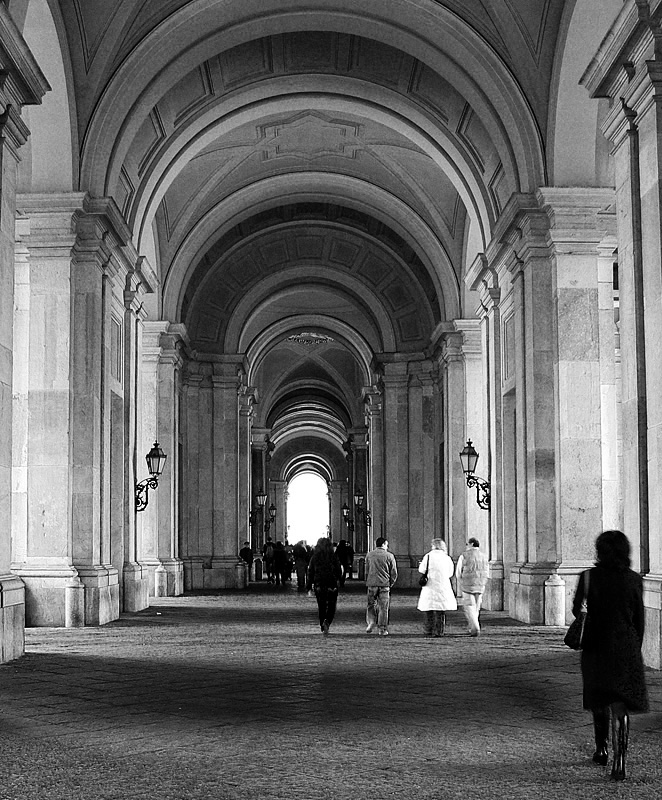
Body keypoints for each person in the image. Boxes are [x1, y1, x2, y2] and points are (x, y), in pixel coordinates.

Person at [571, 529, 648, 782]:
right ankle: (621, 761)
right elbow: (639, 619)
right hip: (625, 647)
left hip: (596, 645)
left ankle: (602, 748)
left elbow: (576, 610)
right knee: (620, 706)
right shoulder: (634, 579)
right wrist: (634, 648)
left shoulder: (588, 577)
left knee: (599, 699)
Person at [417, 539, 457, 637]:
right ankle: (439, 631)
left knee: (428, 608)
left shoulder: (428, 556)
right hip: (443, 585)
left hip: (430, 585)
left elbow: (421, 569)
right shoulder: (447, 558)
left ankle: (428, 629)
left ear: (433, 546)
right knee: (440, 610)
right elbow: (450, 573)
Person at [305, 537, 343, 634]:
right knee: (331, 606)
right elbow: (338, 570)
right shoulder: (333, 557)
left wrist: (309, 586)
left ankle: (322, 623)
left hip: (319, 584)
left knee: (321, 606)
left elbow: (310, 572)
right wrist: (339, 580)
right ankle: (328, 621)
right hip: (332, 584)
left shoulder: (314, 557)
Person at [455, 537, 489, 637]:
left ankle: (475, 628)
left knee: (469, 606)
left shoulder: (464, 556)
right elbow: (487, 571)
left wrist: (461, 582)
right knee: (477, 608)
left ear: (471, 544)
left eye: (467, 544)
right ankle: (471, 626)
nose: (466, 546)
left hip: (467, 585)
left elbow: (458, 572)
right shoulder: (484, 556)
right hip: (480, 584)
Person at [364, 537, 398, 636]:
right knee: (383, 607)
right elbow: (394, 573)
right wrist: (390, 583)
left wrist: (368, 580)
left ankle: (371, 622)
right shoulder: (390, 556)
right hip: (384, 585)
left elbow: (366, 570)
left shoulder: (369, 555)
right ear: (383, 544)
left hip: (372, 583)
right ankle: (382, 629)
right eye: (387, 544)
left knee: (371, 605)